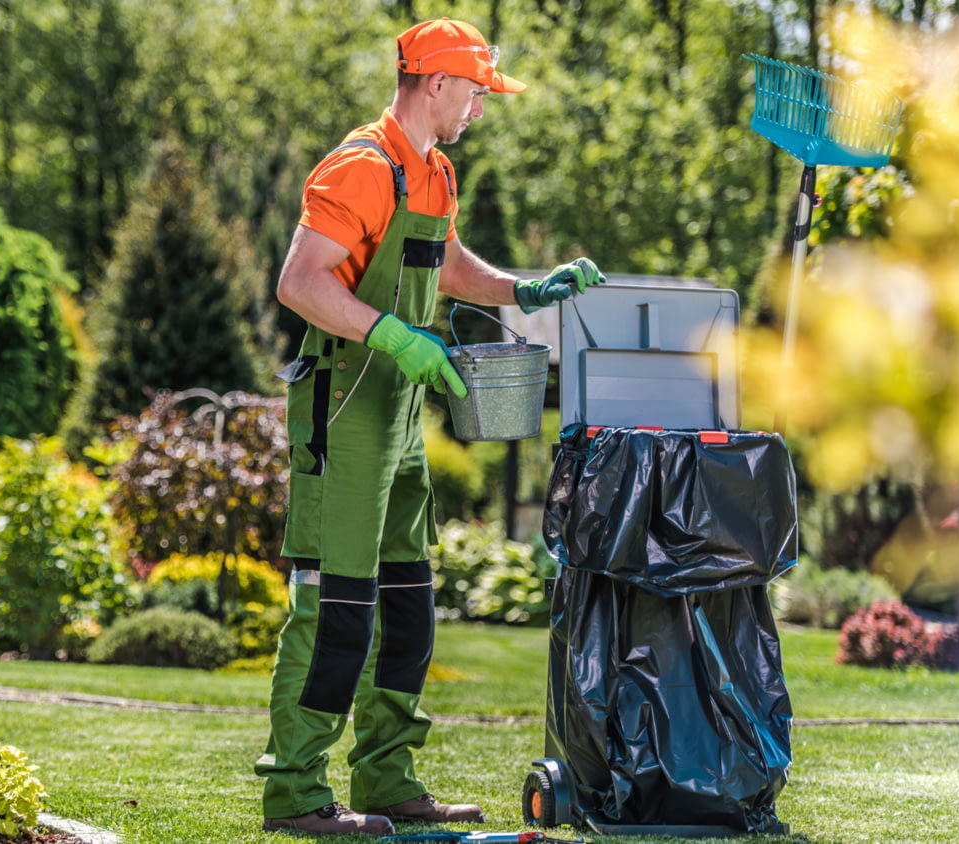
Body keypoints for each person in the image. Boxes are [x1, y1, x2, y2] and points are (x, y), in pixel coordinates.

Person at [255, 18, 606, 836]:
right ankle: (297, 790)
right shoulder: (361, 166)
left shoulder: (434, 172)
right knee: (336, 604)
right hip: (344, 411)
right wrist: (389, 333)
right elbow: (300, 283)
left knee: (409, 602)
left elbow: (444, 264)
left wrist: (523, 291)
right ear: (438, 82)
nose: (481, 104)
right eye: (477, 89)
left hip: (403, 415)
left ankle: (386, 775)